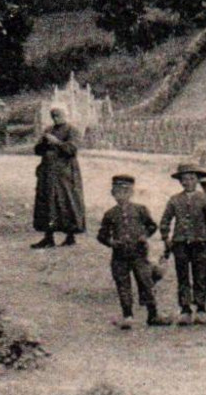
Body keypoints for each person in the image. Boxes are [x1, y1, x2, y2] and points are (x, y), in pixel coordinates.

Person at [96, 174, 165, 329]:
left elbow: (152, 226)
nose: (122, 195)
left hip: (139, 254)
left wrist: (144, 236)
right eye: (118, 192)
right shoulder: (110, 214)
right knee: (123, 285)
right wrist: (111, 242)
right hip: (119, 256)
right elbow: (101, 235)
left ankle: (153, 314)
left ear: (132, 193)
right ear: (113, 194)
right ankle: (128, 316)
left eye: (126, 191)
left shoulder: (140, 210)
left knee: (146, 282)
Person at [161, 163, 206, 325]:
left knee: (200, 275)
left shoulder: (205, 199)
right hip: (180, 243)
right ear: (180, 181)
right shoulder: (175, 200)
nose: (188, 182)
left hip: (200, 242)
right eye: (184, 179)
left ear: (197, 180)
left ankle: (201, 308)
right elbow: (165, 220)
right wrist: (166, 237)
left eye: (192, 178)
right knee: (183, 276)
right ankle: (185, 309)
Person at [32, 105, 85, 248]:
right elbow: (37, 150)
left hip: (66, 172)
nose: (56, 118)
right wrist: (43, 142)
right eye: (53, 115)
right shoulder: (48, 130)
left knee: (67, 201)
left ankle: (70, 236)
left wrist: (56, 142)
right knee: (47, 201)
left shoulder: (72, 130)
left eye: (58, 115)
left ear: (65, 115)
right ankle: (48, 237)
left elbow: (72, 149)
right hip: (48, 172)